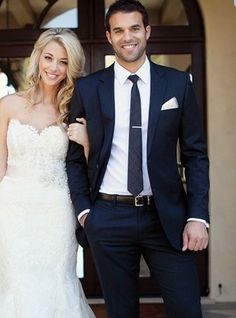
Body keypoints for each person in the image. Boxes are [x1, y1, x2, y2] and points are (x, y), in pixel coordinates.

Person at [66, 1, 210, 317]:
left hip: (166, 216)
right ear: (108, 36)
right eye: (118, 30)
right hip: (108, 216)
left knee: (187, 310)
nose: (127, 37)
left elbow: (195, 154)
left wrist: (197, 216)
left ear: (147, 31)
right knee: (120, 312)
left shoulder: (176, 84)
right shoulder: (88, 88)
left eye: (134, 28)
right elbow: (74, 160)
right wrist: (86, 213)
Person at [0, 28, 95, 318]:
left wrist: (87, 140)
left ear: (71, 67)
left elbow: (91, 167)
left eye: (63, 62)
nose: (54, 67)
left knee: (57, 282)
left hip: (56, 210)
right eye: (49, 58)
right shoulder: (8, 105)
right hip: (12, 208)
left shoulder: (75, 110)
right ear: (38, 58)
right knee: (17, 282)